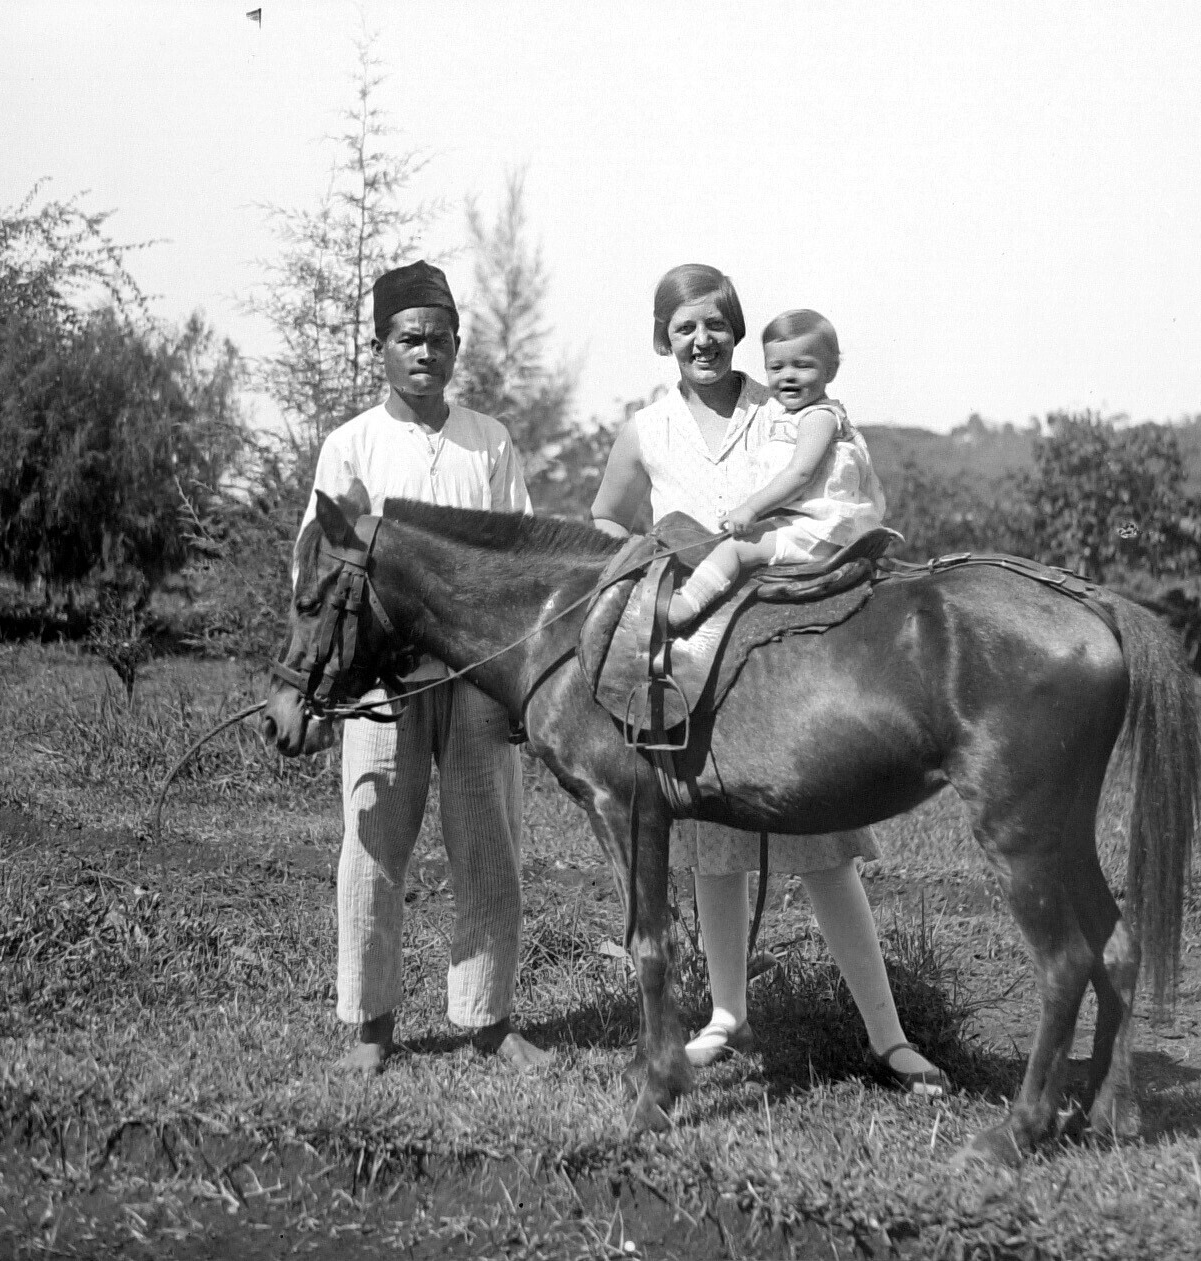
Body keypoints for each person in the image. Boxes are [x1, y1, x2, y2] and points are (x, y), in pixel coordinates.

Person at [589, 264, 947, 1096]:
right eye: (684, 327)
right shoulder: (646, 429)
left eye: (715, 324)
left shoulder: (781, 404)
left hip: (786, 650)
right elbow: (604, 516)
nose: (702, 339)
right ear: (662, 339)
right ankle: (726, 1016)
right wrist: (647, 553)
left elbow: (841, 491)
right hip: (691, 653)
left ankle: (888, 1036)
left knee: (821, 845)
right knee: (711, 846)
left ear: (737, 331)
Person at [294, 260, 552, 1075]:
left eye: (440, 339)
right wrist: (330, 676)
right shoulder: (352, 445)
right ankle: (370, 1025)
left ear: (456, 347)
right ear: (380, 347)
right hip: (381, 684)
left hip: (477, 678)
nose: (425, 353)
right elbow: (318, 566)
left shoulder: (488, 440)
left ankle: (488, 1018)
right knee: (372, 846)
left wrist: (520, 682)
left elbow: (520, 562)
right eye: (409, 338)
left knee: (489, 846)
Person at [667, 308, 885, 629]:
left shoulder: (819, 417)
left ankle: (685, 606)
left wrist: (751, 509)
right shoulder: (790, 418)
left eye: (803, 365)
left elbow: (800, 475)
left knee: (735, 550)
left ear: (831, 370)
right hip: (802, 525)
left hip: (817, 533)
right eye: (777, 367)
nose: (788, 376)